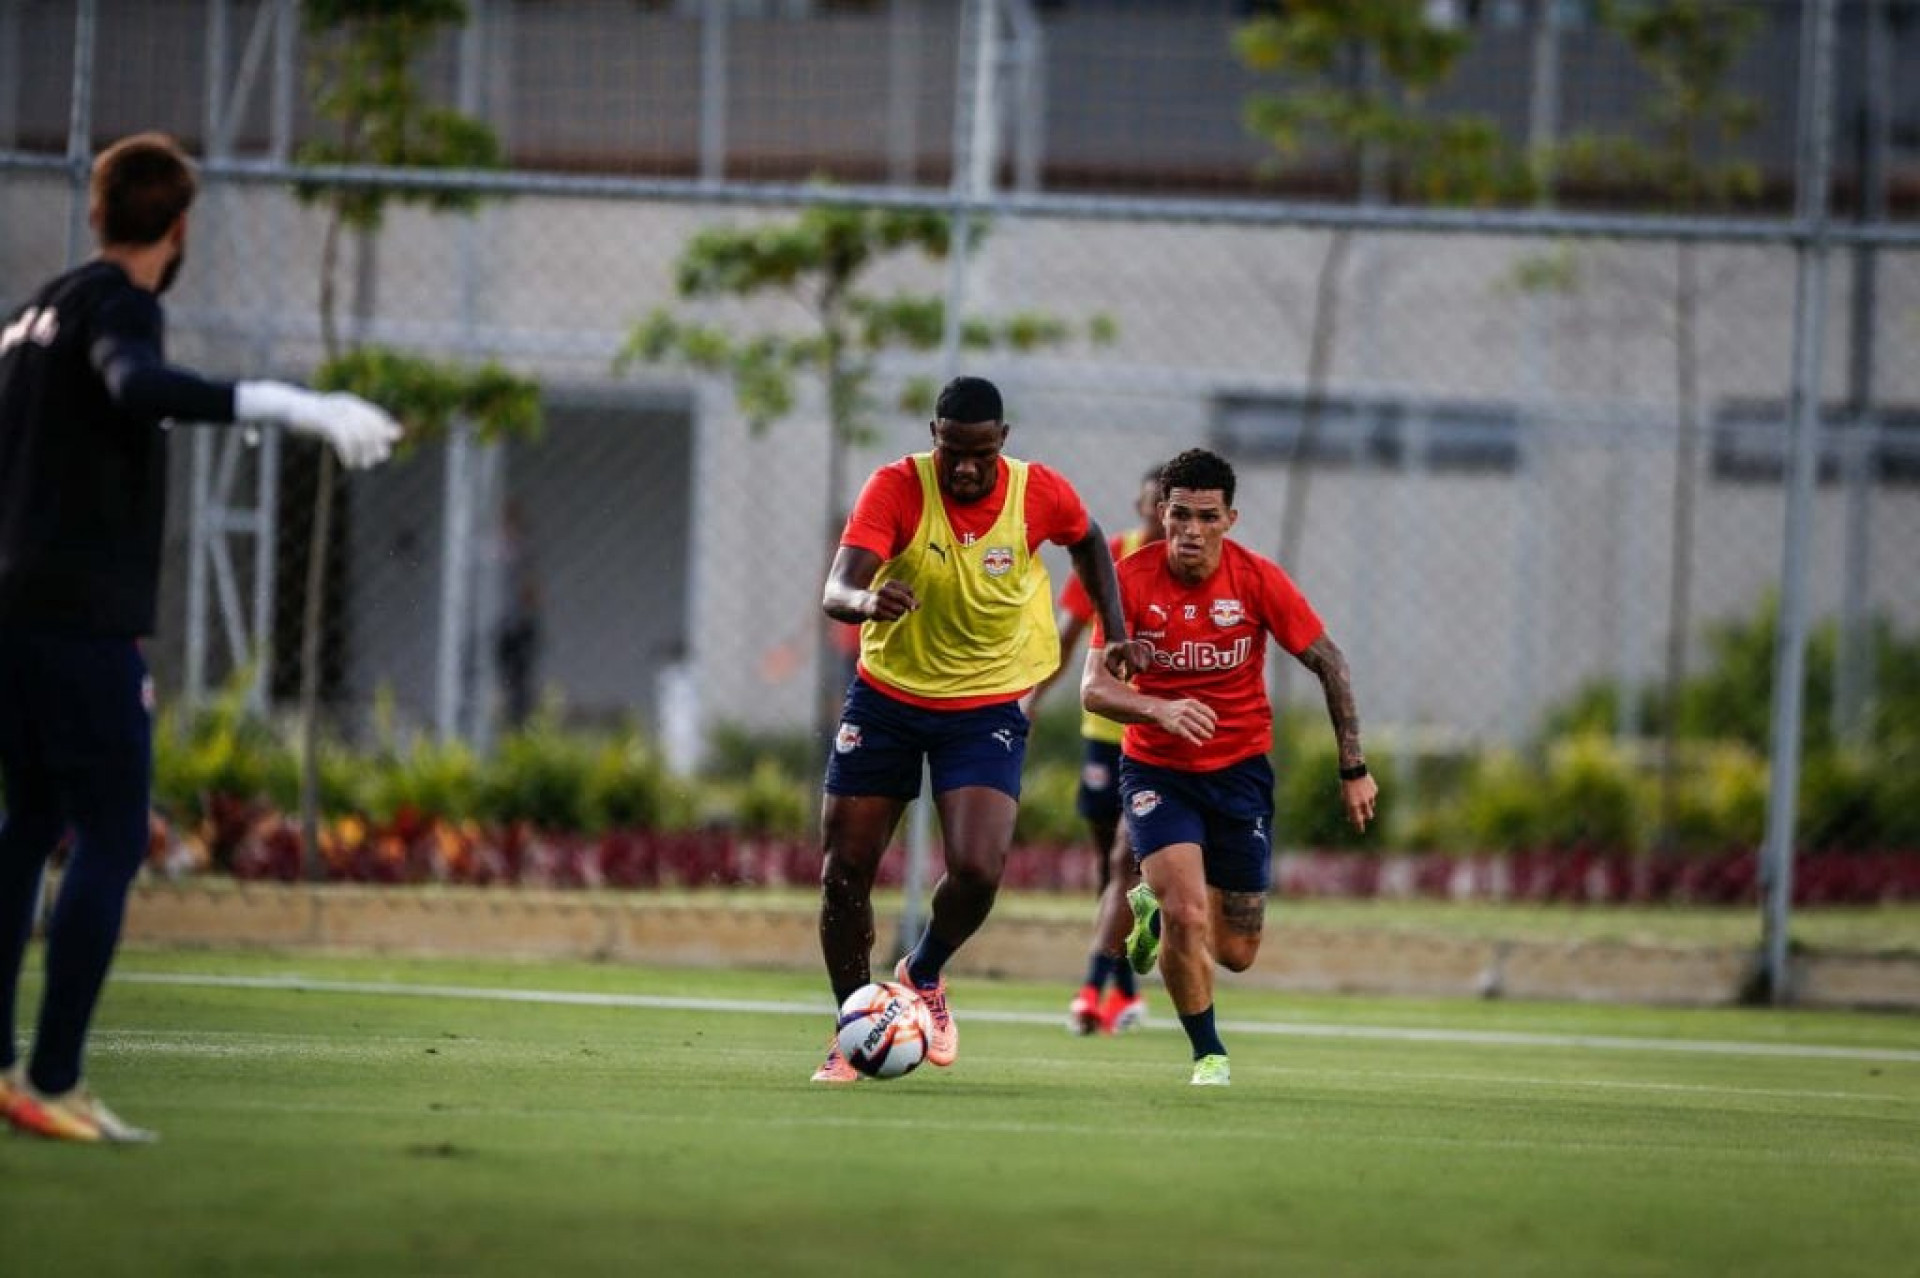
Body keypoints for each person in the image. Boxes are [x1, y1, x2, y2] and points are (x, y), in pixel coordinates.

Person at [0, 132, 401, 1141]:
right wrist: (288, 403)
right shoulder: (121, 308)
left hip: (12, 616)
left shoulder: (32, 316)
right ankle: (52, 1082)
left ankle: (5, 1071)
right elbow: (136, 385)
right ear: (180, 229)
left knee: (28, 824)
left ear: (97, 212)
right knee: (112, 833)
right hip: (78, 622)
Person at [810, 374, 1146, 1083]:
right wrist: (867, 601)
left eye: (980, 454)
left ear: (1003, 442)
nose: (964, 467)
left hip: (985, 704)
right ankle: (854, 1030)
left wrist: (1115, 632)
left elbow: (1090, 542)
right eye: (952, 451)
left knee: (978, 869)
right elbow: (837, 587)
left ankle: (923, 972)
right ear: (933, 436)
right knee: (844, 872)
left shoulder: (1037, 492)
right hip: (887, 697)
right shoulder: (896, 488)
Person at [1080, 448, 1378, 1087]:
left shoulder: (1257, 580)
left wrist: (1353, 768)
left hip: (1240, 773)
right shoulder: (1128, 579)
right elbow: (1094, 690)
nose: (1191, 530)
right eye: (1179, 514)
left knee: (1237, 952)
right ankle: (1208, 1053)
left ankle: (1157, 911)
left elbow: (1331, 663)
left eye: (1206, 517)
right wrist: (1159, 709)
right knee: (1186, 913)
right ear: (1162, 513)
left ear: (1229, 520)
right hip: (1157, 771)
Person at [1023, 467, 1164, 1036]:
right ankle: (1124, 991)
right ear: (1140, 504)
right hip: (1106, 734)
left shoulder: (1192, 568)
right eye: (1157, 503)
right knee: (1109, 864)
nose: (1164, 516)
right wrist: (1032, 698)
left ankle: (1095, 989)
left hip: (1158, 739)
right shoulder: (1110, 559)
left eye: (1174, 507)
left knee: (1127, 862)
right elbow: (1066, 635)